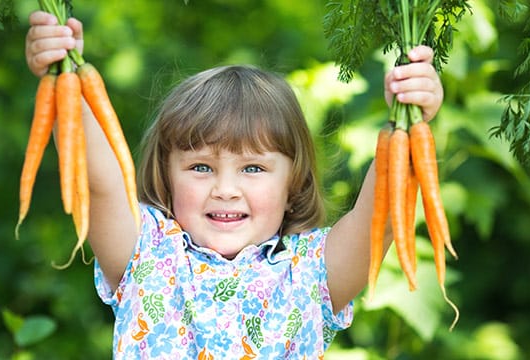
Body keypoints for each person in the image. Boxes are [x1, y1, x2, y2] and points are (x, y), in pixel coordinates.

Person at [25, 10, 443, 359]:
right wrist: (65, 74)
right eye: (201, 168)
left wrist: (413, 118)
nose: (225, 188)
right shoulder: (146, 253)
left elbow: (383, 218)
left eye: (253, 169)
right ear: (167, 176)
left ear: (293, 184)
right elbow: (99, 184)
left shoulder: (311, 273)